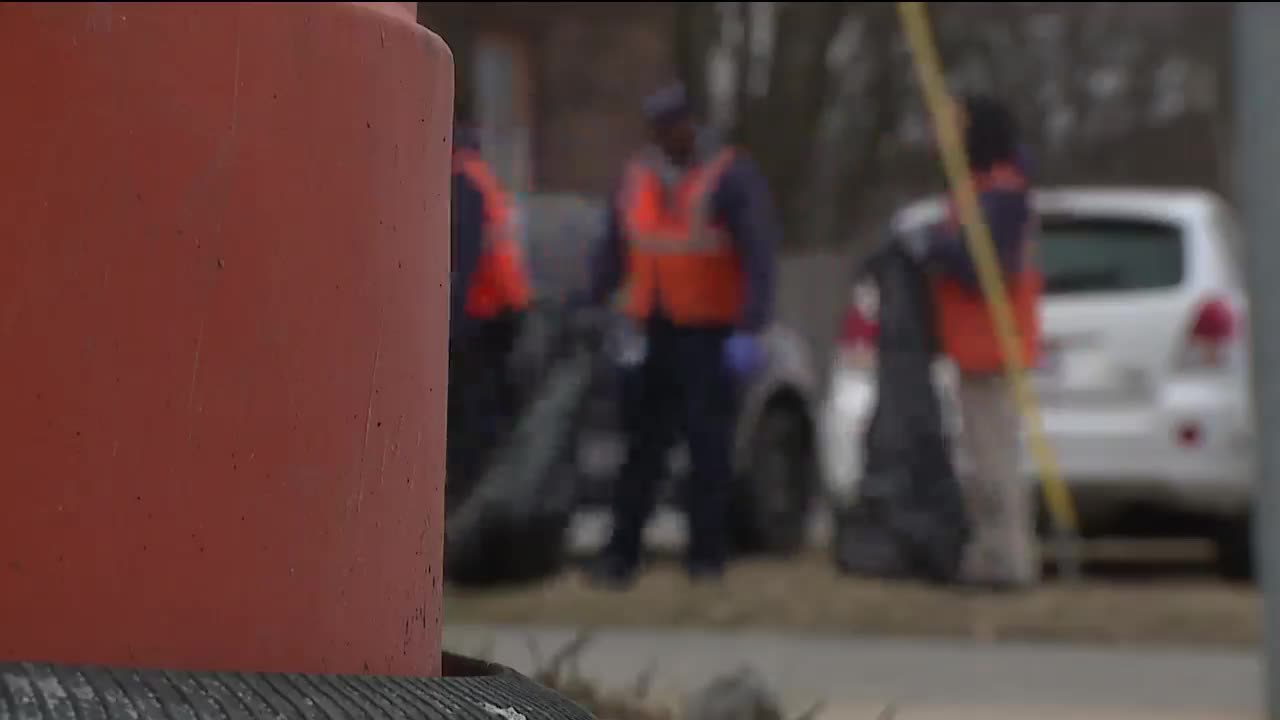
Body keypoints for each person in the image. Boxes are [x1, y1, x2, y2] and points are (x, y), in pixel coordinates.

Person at [583, 83, 779, 588]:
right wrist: (593, 307)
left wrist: (750, 327)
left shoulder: (729, 175)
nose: (667, 136)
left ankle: (706, 560)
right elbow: (613, 250)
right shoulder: (638, 177)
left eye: (674, 125)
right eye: (659, 128)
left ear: (691, 124)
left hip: (709, 334)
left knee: (707, 448)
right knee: (643, 449)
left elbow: (759, 255)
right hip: (651, 330)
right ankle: (620, 558)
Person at [904, 93, 1041, 590]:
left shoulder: (1001, 193)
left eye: (957, 126)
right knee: (983, 457)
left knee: (994, 460)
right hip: (974, 343)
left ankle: (1007, 560)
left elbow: (986, 265)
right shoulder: (979, 189)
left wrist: (936, 247)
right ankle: (991, 555)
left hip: (993, 342)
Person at [447, 115, 533, 506]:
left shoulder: (463, 180)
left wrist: (453, 320)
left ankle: (469, 499)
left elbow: (463, 257)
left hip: (483, 312)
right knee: (489, 414)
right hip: (503, 309)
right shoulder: (483, 175)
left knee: (473, 417)